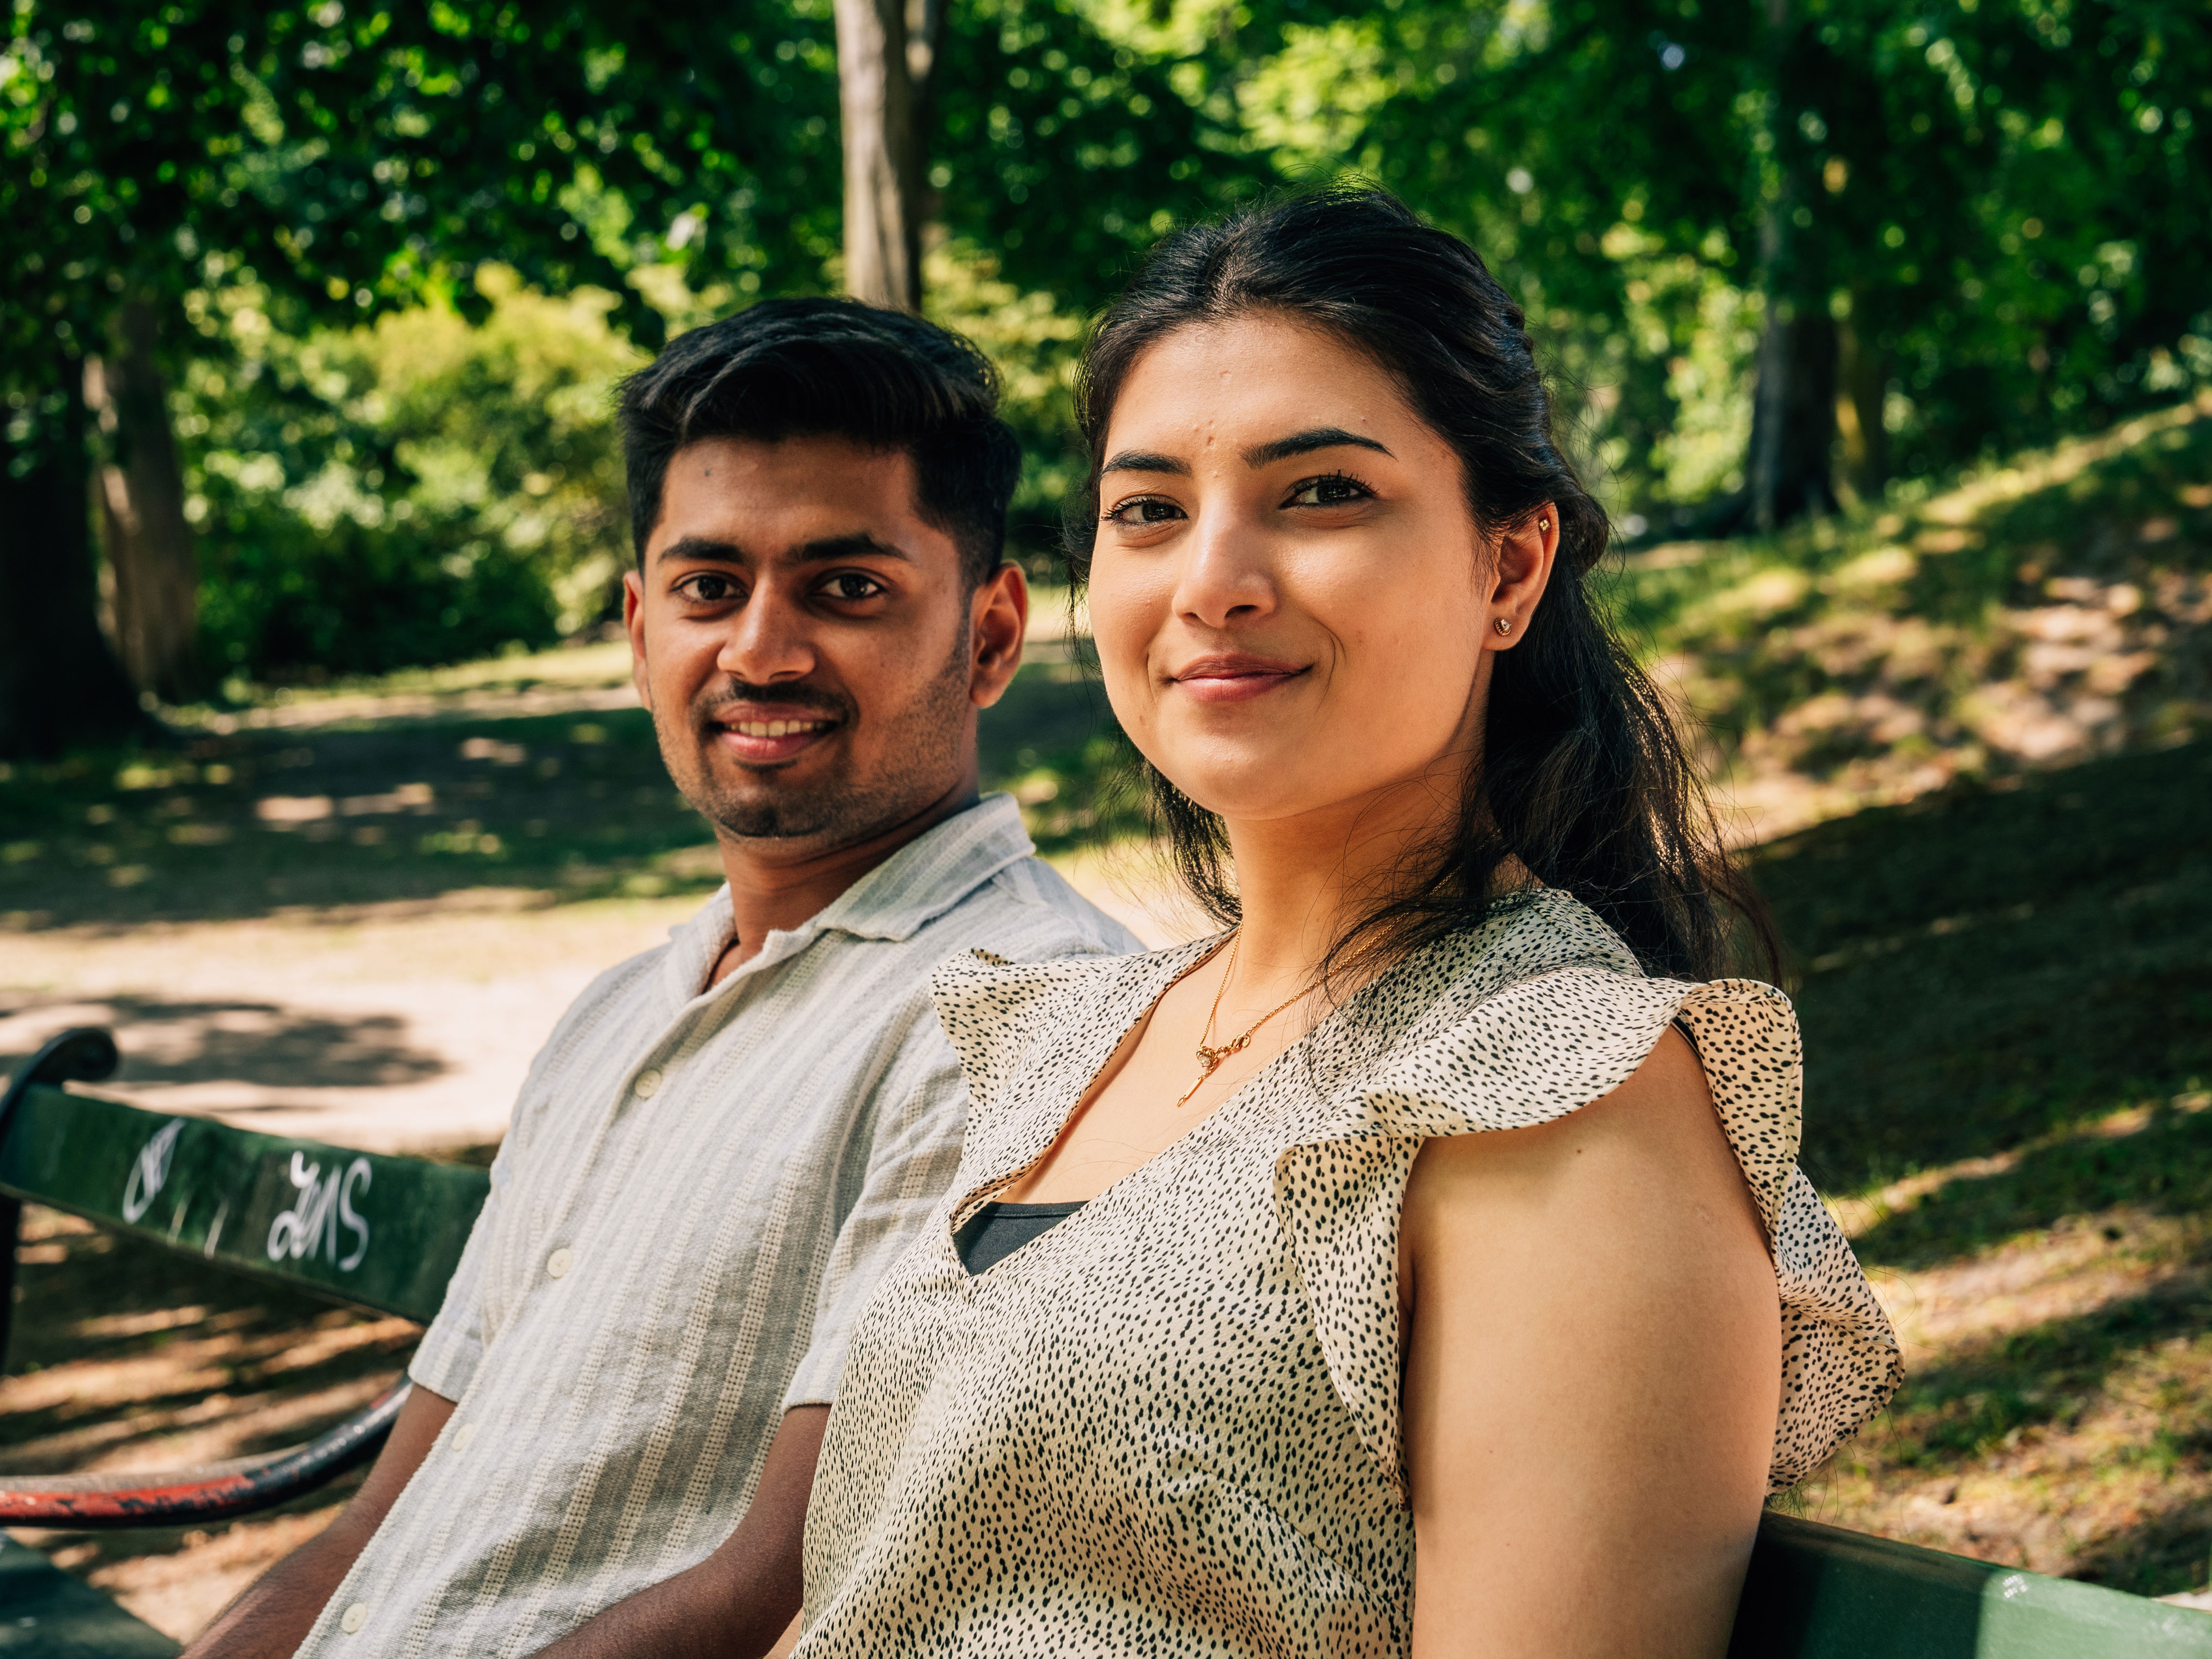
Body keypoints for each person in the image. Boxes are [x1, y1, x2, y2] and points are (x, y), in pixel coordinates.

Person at [795, 190, 1904, 1658]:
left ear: (1508, 568)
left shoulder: (1558, 1092)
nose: (1213, 583)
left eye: (1321, 493)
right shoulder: (1071, 1039)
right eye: (1148, 512)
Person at [182, 299, 1139, 1659]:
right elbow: (376, 1528)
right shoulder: (618, 1014)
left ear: (988, 637)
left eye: (847, 587)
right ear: (640, 631)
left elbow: (799, 1583)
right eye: (708, 589)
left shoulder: (1029, 1012)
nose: (760, 651)